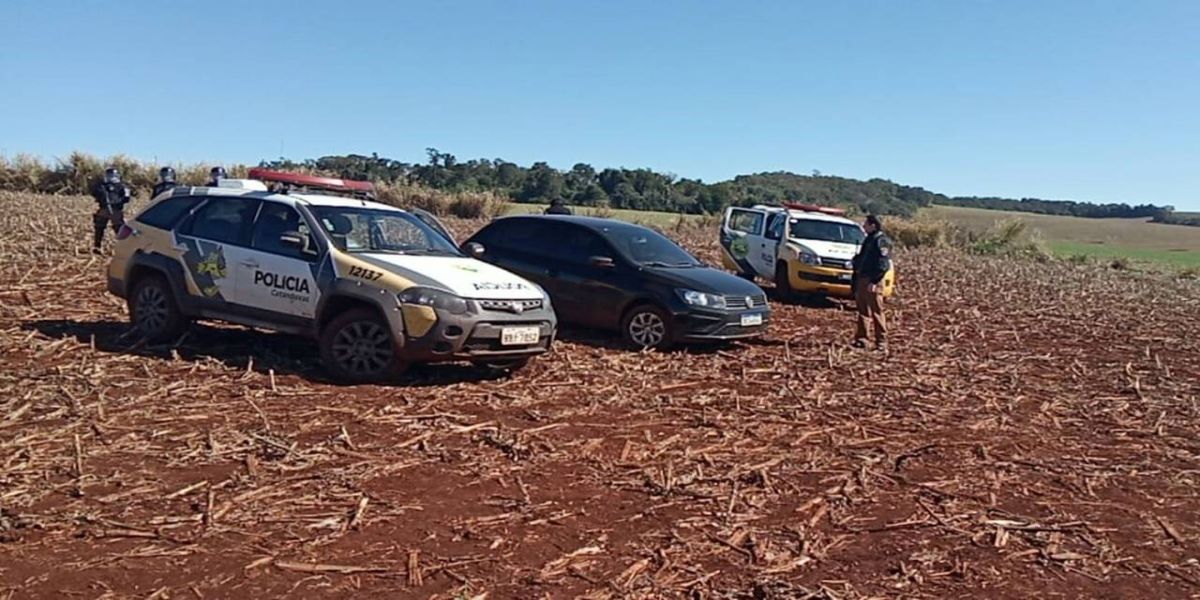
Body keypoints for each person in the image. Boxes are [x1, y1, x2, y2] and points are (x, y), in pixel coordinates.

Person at [851, 214, 893, 350]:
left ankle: (881, 341)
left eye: (866, 224)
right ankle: (862, 339)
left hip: (872, 281)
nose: (864, 226)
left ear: (873, 225)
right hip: (862, 279)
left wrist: (874, 281)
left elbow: (883, 264)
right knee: (863, 311)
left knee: (876, 311)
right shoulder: (869, 239)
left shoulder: (881, 241)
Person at [91, 167, 132, 253]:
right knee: (99, 227)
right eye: (109, 176)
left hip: (116, 210)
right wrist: (100, 191)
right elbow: (95, 193)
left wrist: (120, 200)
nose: (111, 178)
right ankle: (97, 246)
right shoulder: (102, 186)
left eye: (113, 176)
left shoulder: (122, 186)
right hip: (104, 209)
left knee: (119, 229)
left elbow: (126, 198)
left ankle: (123, 247)